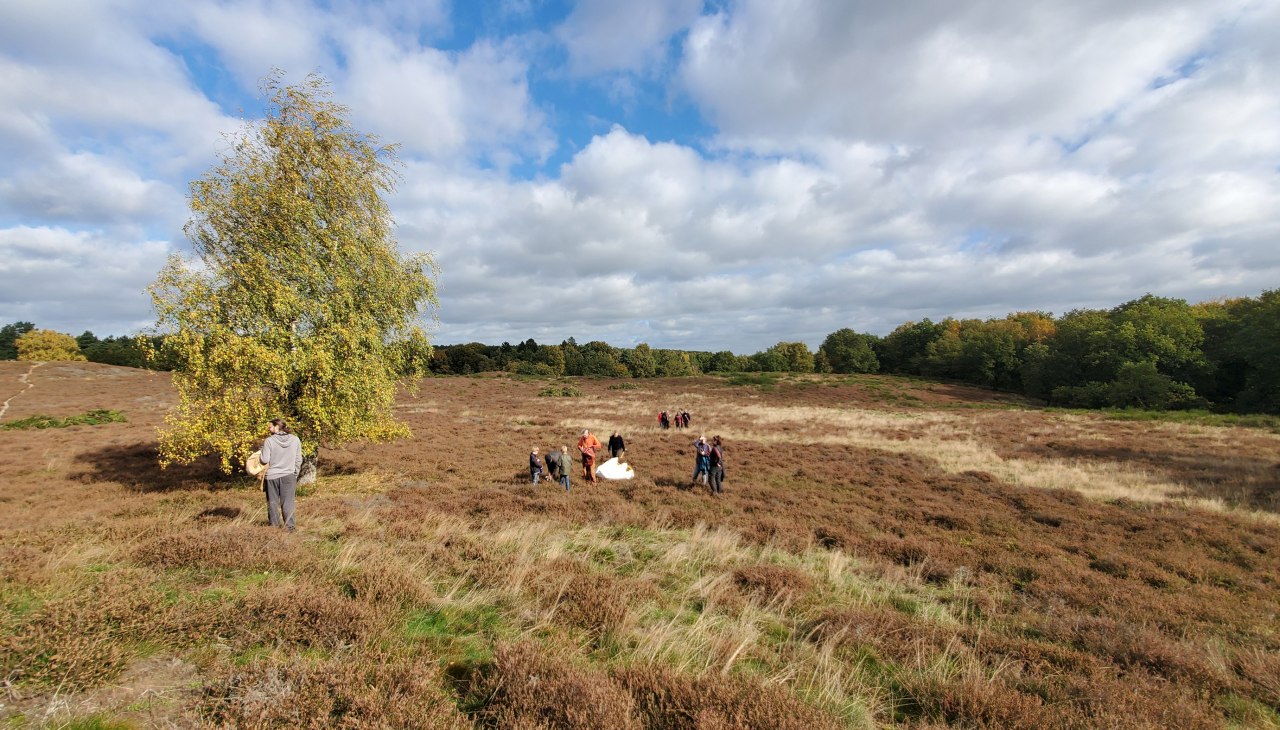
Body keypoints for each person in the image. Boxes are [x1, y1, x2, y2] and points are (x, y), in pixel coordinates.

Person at [260, 417, 302, 531]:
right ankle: (290, 528)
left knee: (272, 503)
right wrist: (295, 474)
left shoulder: (269, 441)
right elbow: (299, 459)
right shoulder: (295, 439)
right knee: (287, 503)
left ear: (277, 427)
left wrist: (260, 452)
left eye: (270, 426)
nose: (269, 428)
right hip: (289, 475)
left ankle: (274, 529)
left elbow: (264, 459)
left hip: (272, 476)